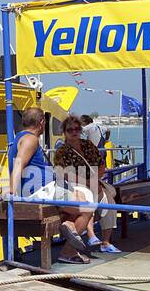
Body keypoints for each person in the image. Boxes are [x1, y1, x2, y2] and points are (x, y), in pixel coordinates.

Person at [8, 107, 94, 264]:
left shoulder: (20, 137)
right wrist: (12, 192)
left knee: (79, 196)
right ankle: (68, 252)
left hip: (47, 189)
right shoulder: (30, 139)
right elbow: (19, 164)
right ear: (42, 122)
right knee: (88, 208)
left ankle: (69, 226)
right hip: (40, 191)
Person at [54, 115, 122, 253]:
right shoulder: (61, 151)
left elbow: (101, 164)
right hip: (75, 186)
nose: (74, 132)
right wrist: (86, 182)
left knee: (109, 204)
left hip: (94, 181)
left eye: (77, 129)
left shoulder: (88, 145)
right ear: (65, 132)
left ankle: (105, 242)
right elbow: (63, 173)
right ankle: (90, 235)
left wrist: (96, 178)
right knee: (87, 199)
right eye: (70, 129)